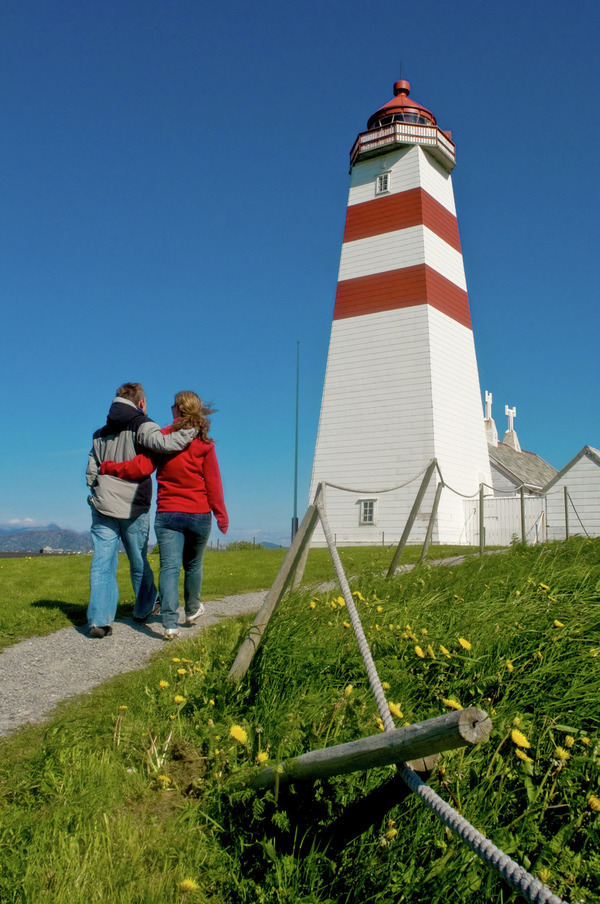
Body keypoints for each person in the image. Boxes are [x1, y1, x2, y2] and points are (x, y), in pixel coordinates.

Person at [100, 390, 228, 640]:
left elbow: (140, 468)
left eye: (173, 405)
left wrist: (109, 468)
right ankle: (191, 610)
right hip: (199, 514)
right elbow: (214, 484)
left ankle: (170, 623)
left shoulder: (164, 437)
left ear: (178, 410)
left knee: (169, 567)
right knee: (193, 565)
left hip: (168, 514)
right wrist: (221, 516)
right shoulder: (205, 443)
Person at [86, 382, 196, 638]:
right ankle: (145, 605)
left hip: (103, 504)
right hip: (134, 503)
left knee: (102, 561)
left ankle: (99, 620)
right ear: (141, 402)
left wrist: (97, 489)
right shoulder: (142, 423)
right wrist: (190, 431)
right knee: (137, 560)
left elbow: (91, 469)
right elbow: (164, 444)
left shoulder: (99, 433)